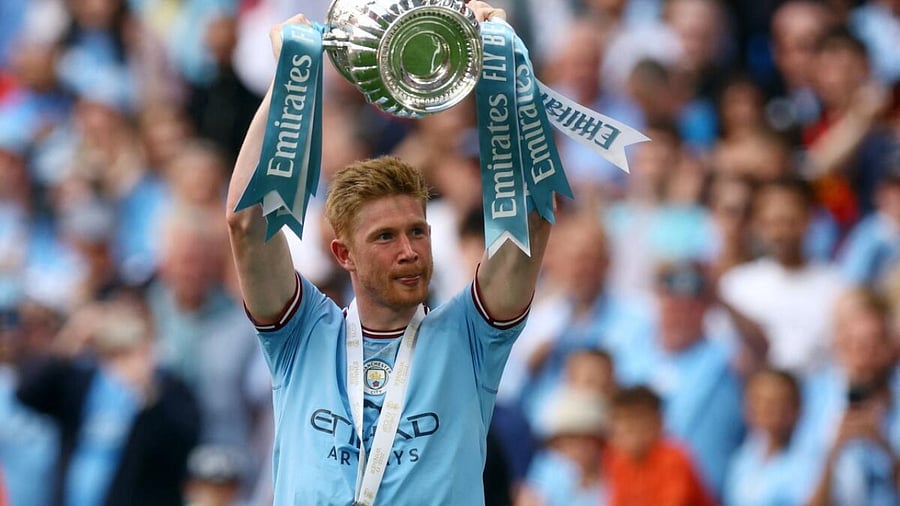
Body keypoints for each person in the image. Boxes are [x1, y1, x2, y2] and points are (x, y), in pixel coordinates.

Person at [224, 3, 555, 505]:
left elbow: (528, 221)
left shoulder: (469, 338)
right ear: (343, 253)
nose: (409, 251)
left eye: (418, 232)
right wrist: (290, 79)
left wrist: (504, 75)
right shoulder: (302, 335)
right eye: (385, 237)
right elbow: (247, 223)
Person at [604, 385, 715, 506]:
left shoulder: (673, 458)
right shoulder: (619, 463)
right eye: (621, 425)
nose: (628, 432)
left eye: (635, 423)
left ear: (658, 423)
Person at [724, 368, 820, 506]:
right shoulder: (743, 459)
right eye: (758, 401)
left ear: (797, 407)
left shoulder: (813, 462)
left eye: (776, 402)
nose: (766, 410)